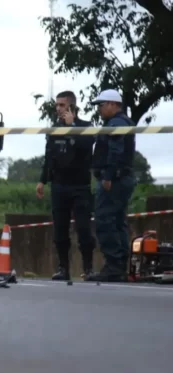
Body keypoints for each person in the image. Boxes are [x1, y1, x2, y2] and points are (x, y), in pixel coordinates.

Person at [36, 90, 96, 281]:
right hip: (59, 186)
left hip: (80, 186)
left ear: (72, 106)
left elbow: (86, 147)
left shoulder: (86, 127)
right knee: (60, 231)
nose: (58, 109)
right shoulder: (54, 128)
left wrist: (73, 127)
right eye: (57, 105)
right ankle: (63, 269)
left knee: (84, 230)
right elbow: (49, 156)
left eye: (62, 105)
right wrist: (42, 180)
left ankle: (88, 269)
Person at [85, 89, 137, 282]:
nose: (99, 109)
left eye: (102, 105)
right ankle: (120, 265)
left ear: (113, 104)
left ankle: (114, 266)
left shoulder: (116, 123)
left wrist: (107, 175)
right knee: (117, 221)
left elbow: (115, 151)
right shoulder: (119, 122)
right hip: (121, 178)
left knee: (106, 220)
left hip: (114, 180)